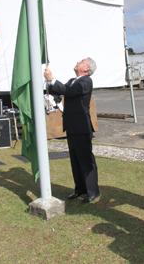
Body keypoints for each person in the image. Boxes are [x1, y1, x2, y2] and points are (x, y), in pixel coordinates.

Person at [44, 57, 100, 203]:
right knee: (75, 160)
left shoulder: (86, 81)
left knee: (86, 160)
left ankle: (93, 192)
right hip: (72, 126)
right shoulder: (72, 80)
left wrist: (53, 79)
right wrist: (50, 82)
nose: (77, 62)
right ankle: (80, 189)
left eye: (81, 61)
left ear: (86, 69)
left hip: (81, 127)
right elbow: (59, 90)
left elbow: (69, 91)